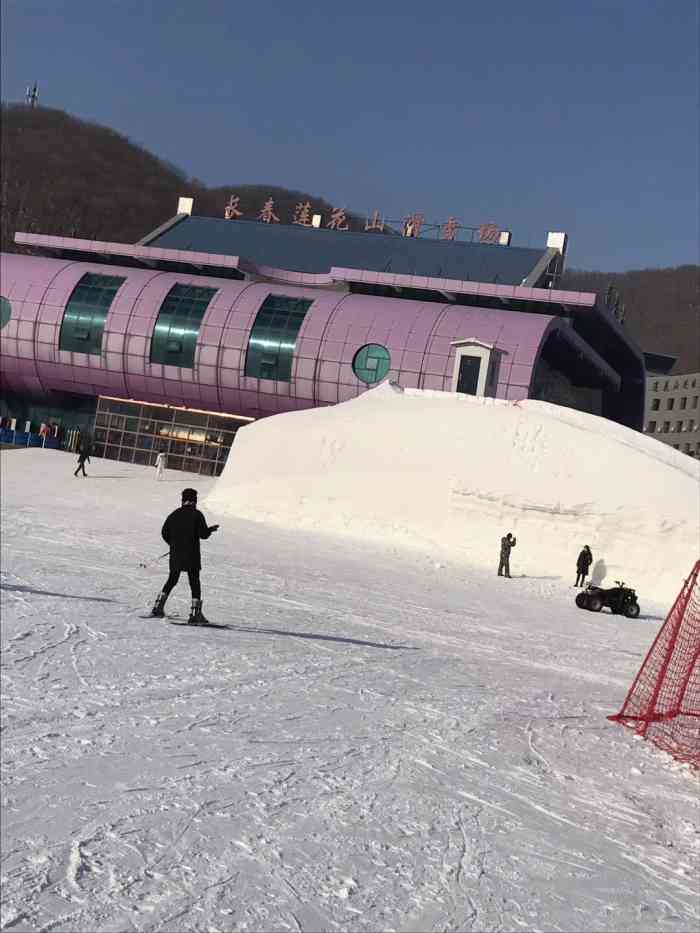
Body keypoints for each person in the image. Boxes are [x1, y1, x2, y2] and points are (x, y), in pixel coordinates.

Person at [150, 488, 219, 624]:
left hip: (176, 553)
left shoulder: (174, 514)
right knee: (194, 581)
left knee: (172, 579)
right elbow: (203, 534)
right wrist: (210, 530)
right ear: (194, 500)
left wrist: (174, 544)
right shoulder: (197, 514)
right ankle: (195, 614)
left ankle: (158, 607)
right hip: (191, 554)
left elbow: (164, 532)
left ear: (182, 500)